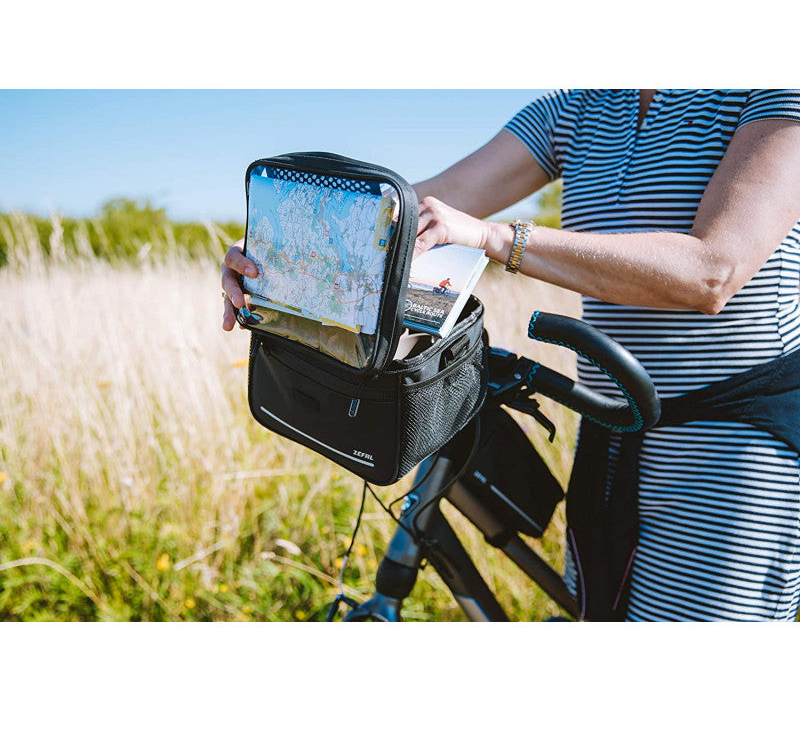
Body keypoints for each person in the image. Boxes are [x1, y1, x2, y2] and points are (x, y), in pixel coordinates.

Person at [222, 89, 800, 622]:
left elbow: (711, 273)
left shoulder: (767, 88)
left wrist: (495, 238)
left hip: (736, 450)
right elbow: (411, 211)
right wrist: (280, 252)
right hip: (611, 424)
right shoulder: (580, 108)